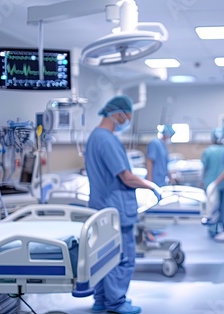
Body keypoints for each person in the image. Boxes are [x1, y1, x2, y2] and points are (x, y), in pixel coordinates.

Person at [84, 95, 163, 314]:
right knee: (122, 258)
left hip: (101, 207)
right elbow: (126, 177)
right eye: (128, 115)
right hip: (116, 209)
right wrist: (150, 185)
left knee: (102, 256)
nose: (128, 119)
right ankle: (116, 302)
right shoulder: (107, 140)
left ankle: (101, 299)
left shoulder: (94, 137)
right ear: (118, 114)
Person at [201, 128, 224, 237]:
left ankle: (212, 228)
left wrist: (202, 181)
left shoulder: (208, 151)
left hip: (210, 183)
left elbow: (204, 167)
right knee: (222, 207)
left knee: (211, 207)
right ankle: (221, 227)